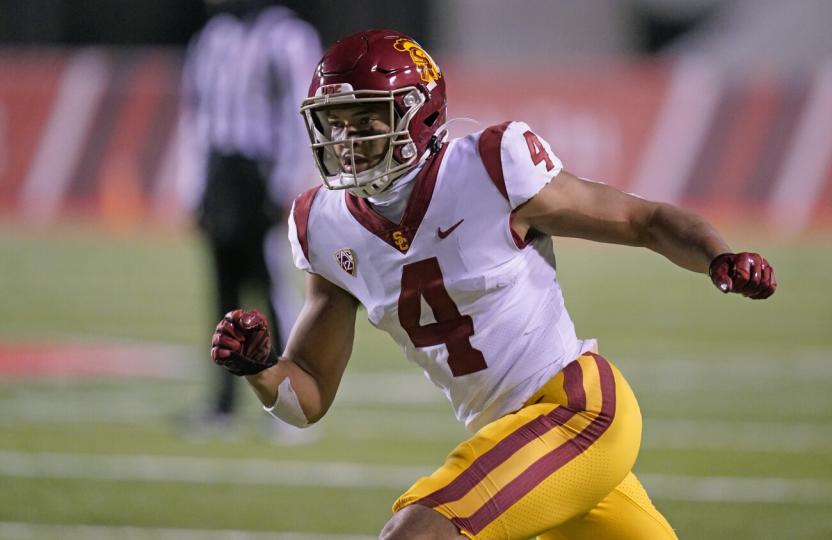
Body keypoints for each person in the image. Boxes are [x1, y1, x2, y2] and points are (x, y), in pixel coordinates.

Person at [210, 29, 777, 539]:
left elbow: (643, 220)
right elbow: (305, 396)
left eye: (366, 123)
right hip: (518, 445)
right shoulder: (325, 225)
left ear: (419, 118)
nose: (347, 142)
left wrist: (717, 257)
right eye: (336, 124)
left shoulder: (489, 167)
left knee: (419, 534)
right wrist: (259, 369)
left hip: (576, 411)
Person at [177, 0, 320, 432]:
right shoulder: (213, 37)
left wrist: (286, 185)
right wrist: (194, 185)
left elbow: (301, 116)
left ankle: (290, 405)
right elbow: (195, 115)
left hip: (262, 176)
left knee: (275, 290)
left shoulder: (287, 37)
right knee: (224, 293)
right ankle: (222, 404)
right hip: (222, 174)